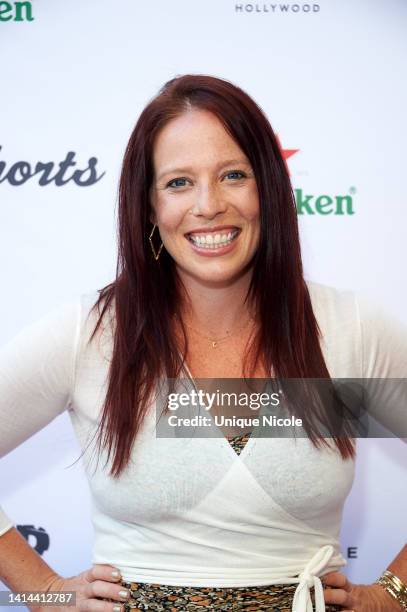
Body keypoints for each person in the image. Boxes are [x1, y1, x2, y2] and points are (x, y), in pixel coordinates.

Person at [0, 74, 406, 612]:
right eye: (178, 183)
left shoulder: (350, 326)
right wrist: (43, 592)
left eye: (233, 175)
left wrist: (394, 594)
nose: (208, 205)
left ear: (269, 187)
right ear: (148, 206)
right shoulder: (91, 333)